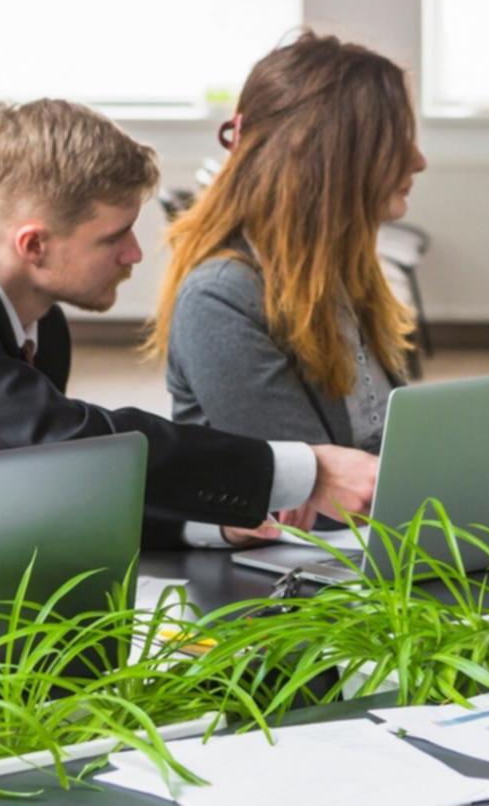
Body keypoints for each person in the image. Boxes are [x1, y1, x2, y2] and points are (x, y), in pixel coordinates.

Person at [0, 99, 377, 548]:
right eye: (115, 235)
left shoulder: (38, 318)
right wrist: (303, 469)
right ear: (34, 244)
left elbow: (48, 482)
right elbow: (64, 444)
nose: (135, 253)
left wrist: (210, 526)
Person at [145, 32, 425, 547]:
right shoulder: (222, 295)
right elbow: (321, 503)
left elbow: (386, 446)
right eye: (393, 142)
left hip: (369, 553)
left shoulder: (343, 273)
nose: (418, 160)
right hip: (289, 587)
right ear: (334, 159)